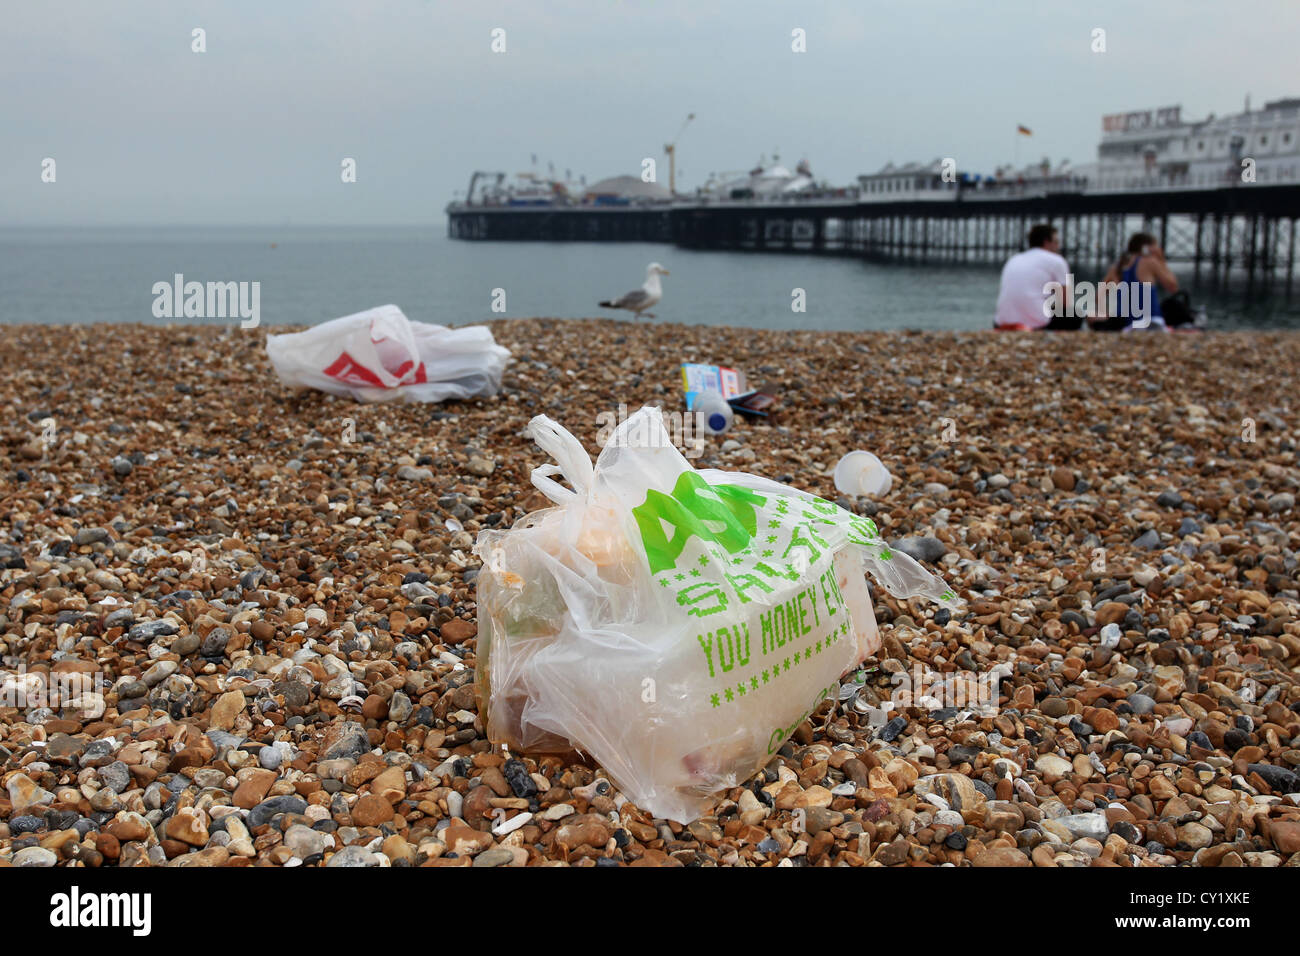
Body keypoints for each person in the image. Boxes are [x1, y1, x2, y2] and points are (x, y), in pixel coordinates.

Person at [994, 224, 1077, 330]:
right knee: (1074, 315)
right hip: (1037, 324)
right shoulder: (1057, 260)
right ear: (1046, 242)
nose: (1058, 246)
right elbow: (1066, 302)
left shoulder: (1014, 259)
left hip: (1000, 322)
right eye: (1056, 242)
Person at [1091, 233, 1180, 332]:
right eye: (1155, 246)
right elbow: (1173, 287)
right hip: (1150, 322)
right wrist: (1162, 260)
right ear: (1146, 248)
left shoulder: (1117, 267)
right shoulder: (1149, 262)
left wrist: (1108, 314)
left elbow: (1098, 296)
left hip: (1127, 326)